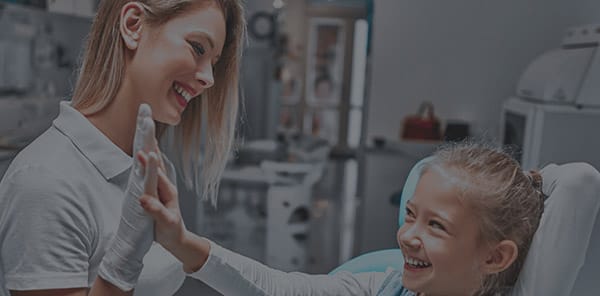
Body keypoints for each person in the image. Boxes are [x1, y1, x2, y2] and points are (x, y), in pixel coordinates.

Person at [0, 0, 245, 295]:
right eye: (198, 48)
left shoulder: (155, 166)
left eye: (214, 63)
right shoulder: (44, 181)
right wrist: (124, 256)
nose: (209, 79)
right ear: (133, 25)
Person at [133, 141, 545, 295]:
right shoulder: (386, 287)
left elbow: (581, 182)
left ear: (495, 257)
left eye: (436, 226)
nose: (407, 236)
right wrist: (183, 243)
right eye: (411, 216)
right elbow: (282, 289)